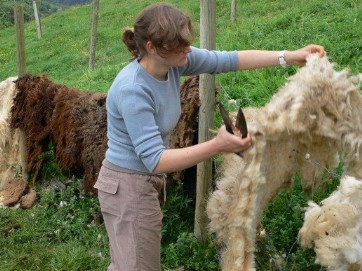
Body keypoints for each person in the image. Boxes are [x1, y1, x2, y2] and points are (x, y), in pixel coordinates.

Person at [94, 2, 325, 271]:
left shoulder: (172, 63)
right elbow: (155, 160)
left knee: (130, 262)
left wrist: (289, 56)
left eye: (186, 41)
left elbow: (226, 59)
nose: (188, 49)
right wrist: (218, 145)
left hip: (140, 182)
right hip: (127, 187)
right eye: (179, 44)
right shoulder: (133, 90)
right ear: (153, 47)